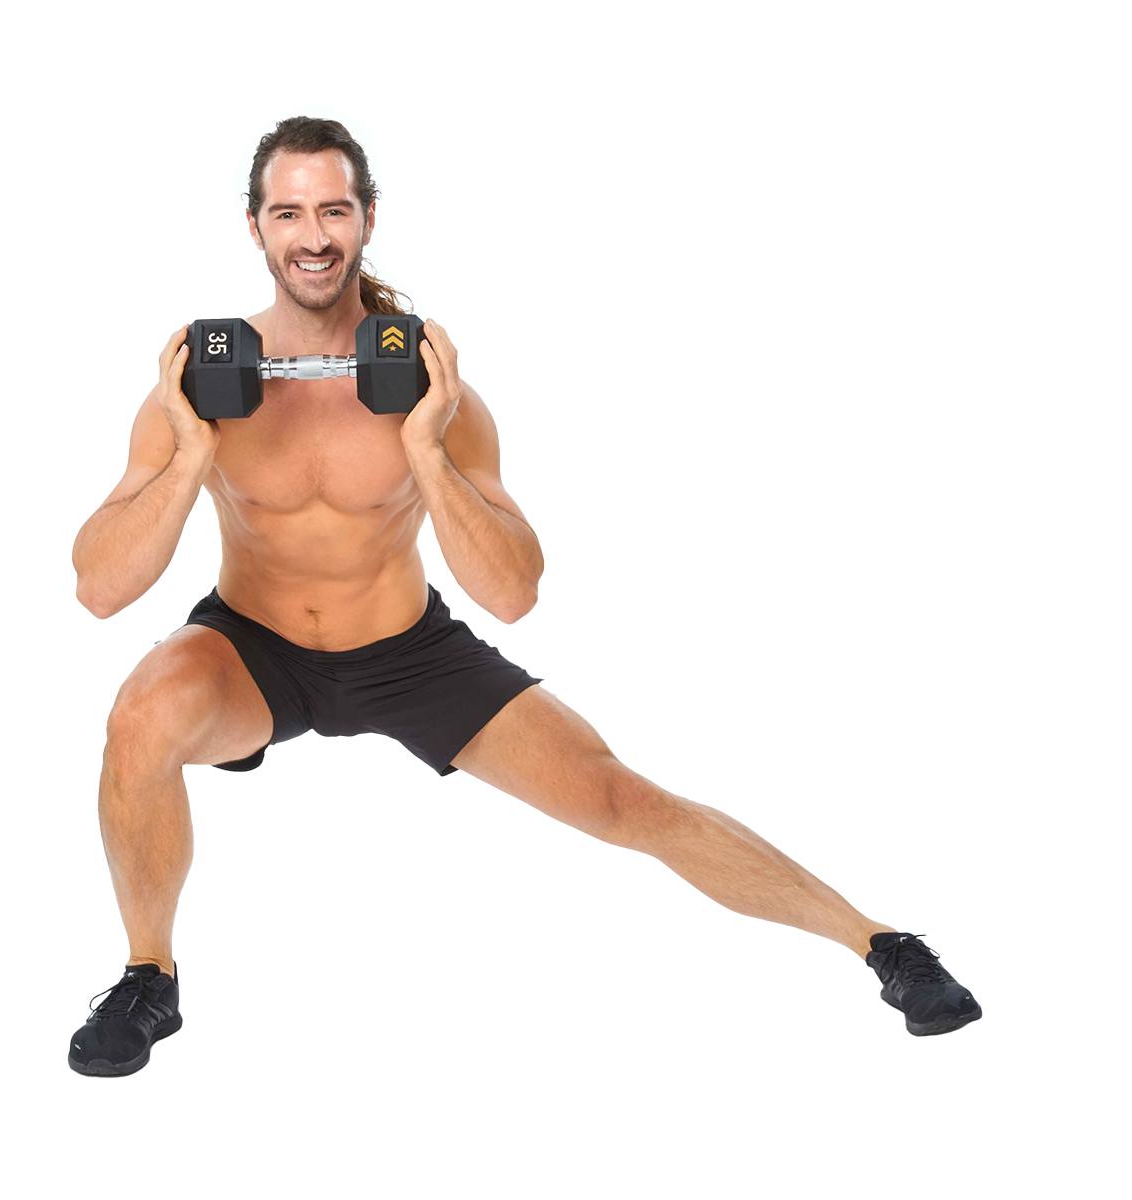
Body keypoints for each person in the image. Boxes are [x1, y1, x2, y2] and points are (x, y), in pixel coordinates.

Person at [66, 116, 981, 1076]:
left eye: (333, 209)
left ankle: (882, 944)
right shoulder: (202, 380)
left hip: (406, 653)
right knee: (140, 718)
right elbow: (97, 587)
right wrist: (191, 454)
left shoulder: (428, 385)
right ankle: (148, 979)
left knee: (624, 799)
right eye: (288, 211)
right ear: (255, 228)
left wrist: (425, 447)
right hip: (252, 652)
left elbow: (511, 593)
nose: (313, 235)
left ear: (367, 219)